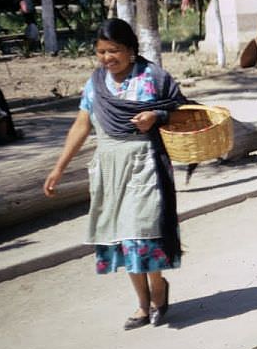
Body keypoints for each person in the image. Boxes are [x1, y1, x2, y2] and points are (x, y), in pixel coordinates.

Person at [42, 19, 185, 329]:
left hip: (144, 162)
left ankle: (158, 288)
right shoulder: (96, 84)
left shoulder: (153, 78)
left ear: (131, 50)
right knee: (122, 236)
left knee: (141, 231)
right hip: (109, 166)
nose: (107, 58)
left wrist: (156, 115)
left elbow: (181, 110)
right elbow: (82, 125)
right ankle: (142, 304)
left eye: (114, 51)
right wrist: (59, 168)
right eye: (101, 52)